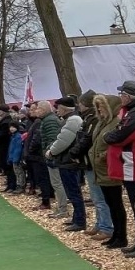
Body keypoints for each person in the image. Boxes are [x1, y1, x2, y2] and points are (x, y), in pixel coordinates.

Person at [105, 80, 135, 256]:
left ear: (127, 95)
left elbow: (120, 135)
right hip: (129, 163)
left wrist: (107, 136)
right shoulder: (134, 111)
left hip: (133, 164)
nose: (120, 98)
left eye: (122, 94)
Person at [47, 96, 87, 231]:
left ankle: (80, 220)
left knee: (74, 192)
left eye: (58, 108)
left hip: (68, 161)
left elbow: (63, 140)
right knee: (72, 192)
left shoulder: (72, 120)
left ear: (64, 108)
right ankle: (77, 218)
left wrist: (51, 151)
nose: (56, 110)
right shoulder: (70, 120)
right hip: (66, 160)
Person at [84, 94, 118, 239]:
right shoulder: (101, 122)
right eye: (98, 106)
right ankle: (100, 223)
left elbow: (113, 144)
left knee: (104, 199)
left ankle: (106, 226)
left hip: (104, 165)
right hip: (95, 164)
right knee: (97, 197)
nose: (99, 109)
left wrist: (101, 156)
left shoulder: (115, 122)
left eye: (102, 106)